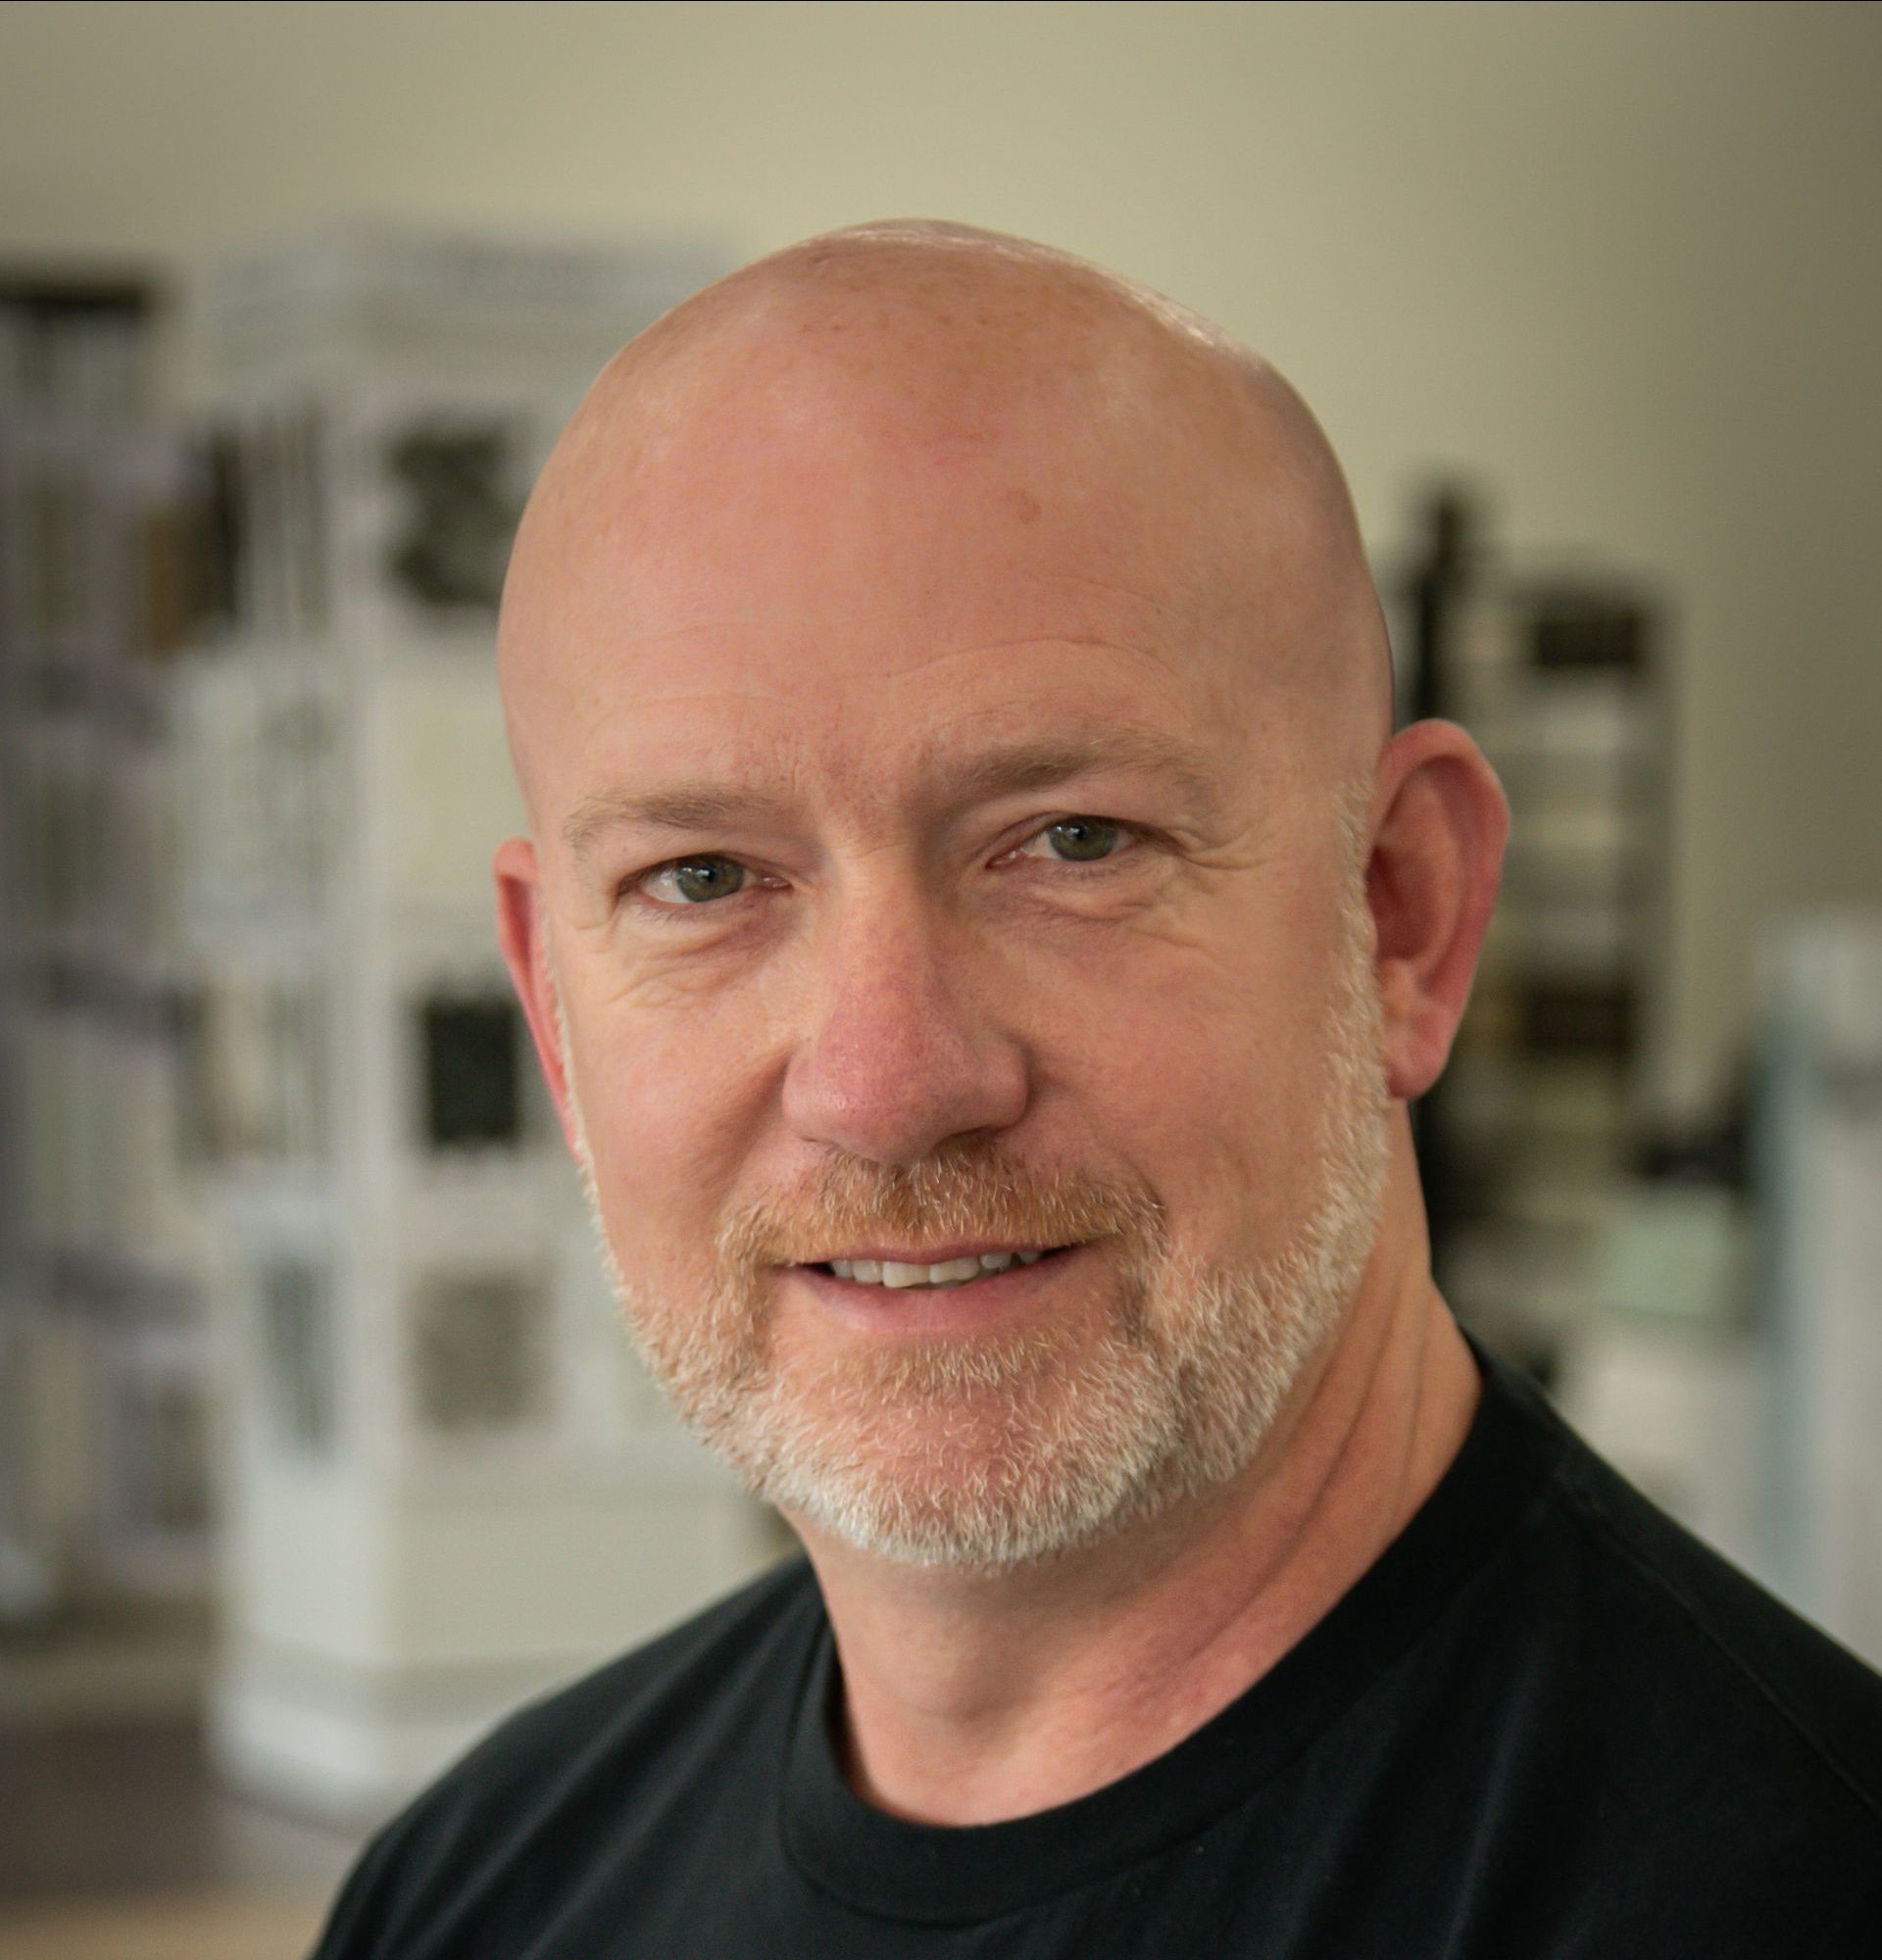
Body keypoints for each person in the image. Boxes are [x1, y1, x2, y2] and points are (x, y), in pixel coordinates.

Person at [312, 222, 1882, 1957]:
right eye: (702, 880)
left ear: (1402, 920)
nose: (887, 1085)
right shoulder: (472, 1898)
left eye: (1071, 842)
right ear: (553, 1012)